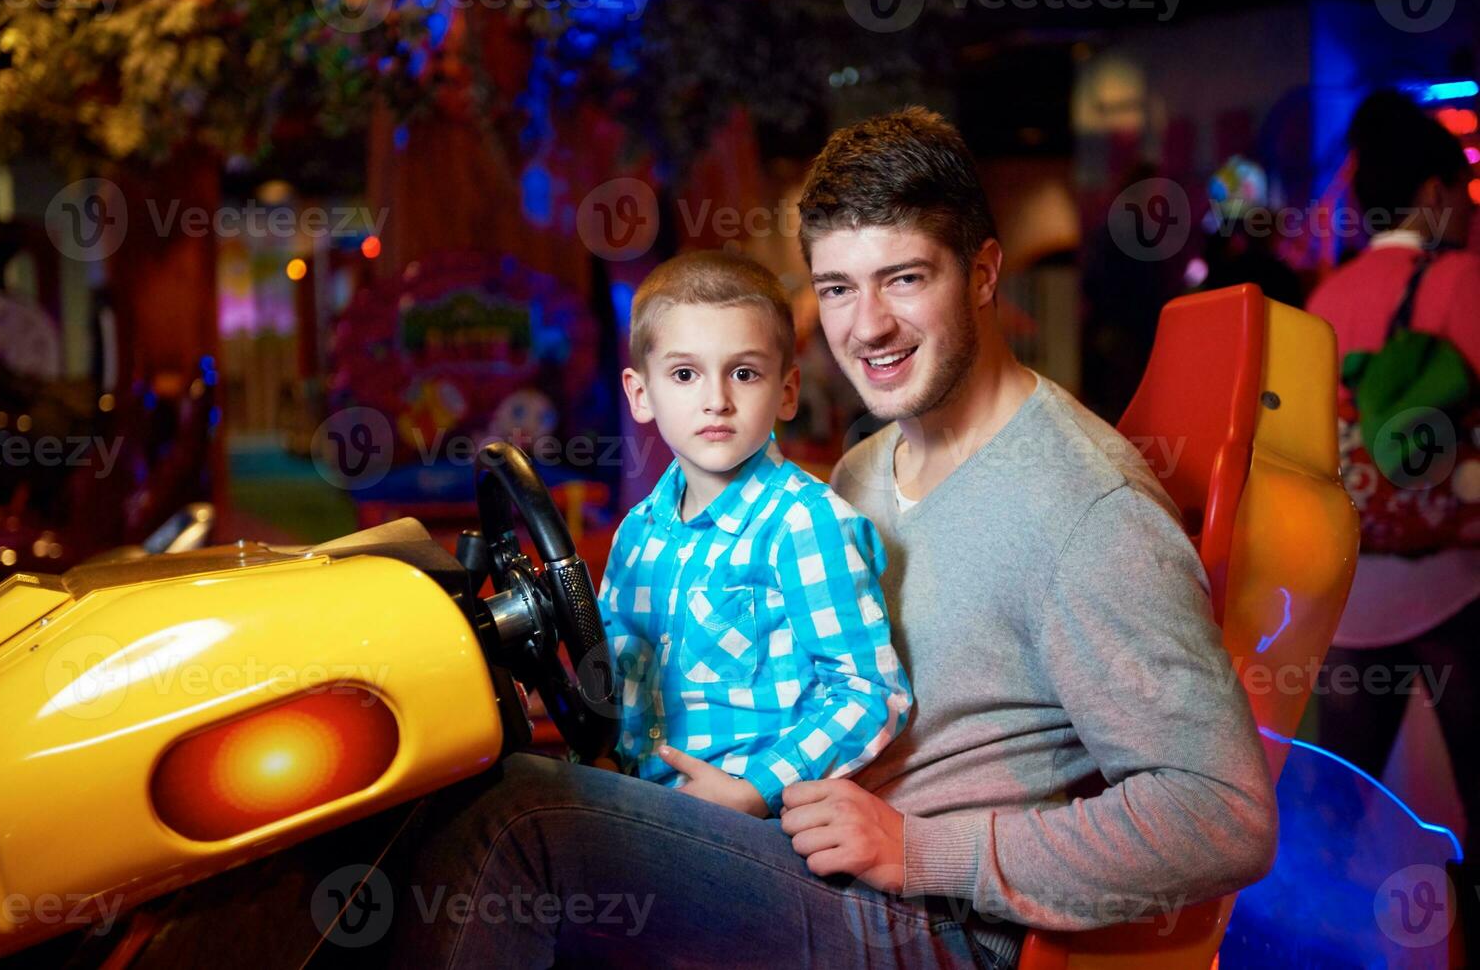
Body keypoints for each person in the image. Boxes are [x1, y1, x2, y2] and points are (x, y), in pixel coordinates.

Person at [384, 108, 1275, 969]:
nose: (867, 325)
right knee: (446, 785)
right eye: (840, 288)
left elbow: (1221, 814)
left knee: (519, 824)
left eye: (906, 279)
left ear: (985, 271)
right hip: (800, 854)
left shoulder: (1087, 509)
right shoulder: (864, 466)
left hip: (930, 920)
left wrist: (920, 850)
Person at [599, 250, 912, 817]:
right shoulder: (636, 535)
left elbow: (872, 696)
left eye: (744, 373)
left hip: (757, 829)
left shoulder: (805, 524)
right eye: (685, 374)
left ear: (787, 392)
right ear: (641, 394)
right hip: (648, 809)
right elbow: (616, 679)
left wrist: (756, 790)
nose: (716, 399)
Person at [1307, 91, 1480, 853]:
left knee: (1336, 811)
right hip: (1455, 584)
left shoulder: (1325, 298)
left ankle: (1315, 951)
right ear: (1436, 194)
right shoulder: (1464, 282)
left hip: (1349, 598)